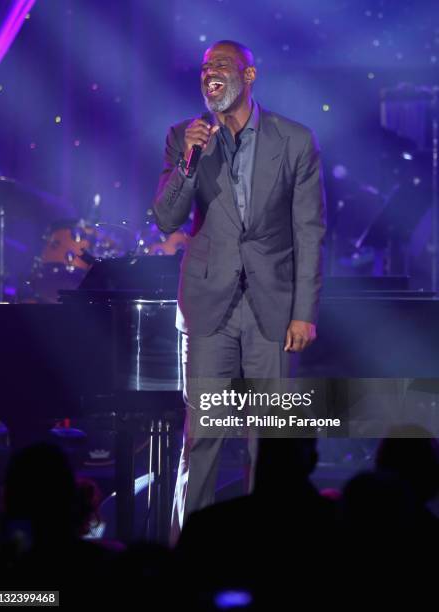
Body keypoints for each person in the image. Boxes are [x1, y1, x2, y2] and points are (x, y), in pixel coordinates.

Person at [153, 40, 326, 542]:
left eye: (221, 66)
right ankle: (186, 556)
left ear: (248, 75)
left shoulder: (293, 139)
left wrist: (304, 311)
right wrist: (189, 159)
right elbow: (166, 217)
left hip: (273, 309)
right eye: (205, 68)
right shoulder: (184, 137)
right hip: (210, 307)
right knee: (202, 438)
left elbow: (309, 230)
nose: (211, 74)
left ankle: (264, 556)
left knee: (267, 442)